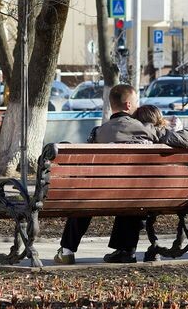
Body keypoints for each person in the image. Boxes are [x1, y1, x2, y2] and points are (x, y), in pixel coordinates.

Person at [54, 83, 154, 266]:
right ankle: (126, 250)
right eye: (136, 102)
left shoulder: (99, 133)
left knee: (85, 198)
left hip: (100, 194)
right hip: (137, 194)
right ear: (128, 106)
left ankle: (67, 250)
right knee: (131, 193)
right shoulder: (146, 130)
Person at [131, 104, 188, 262]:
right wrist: (177, 129)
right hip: (178, 195)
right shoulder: (165, 136)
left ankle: (128, 250)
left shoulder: (140, 134)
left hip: (142, 195)